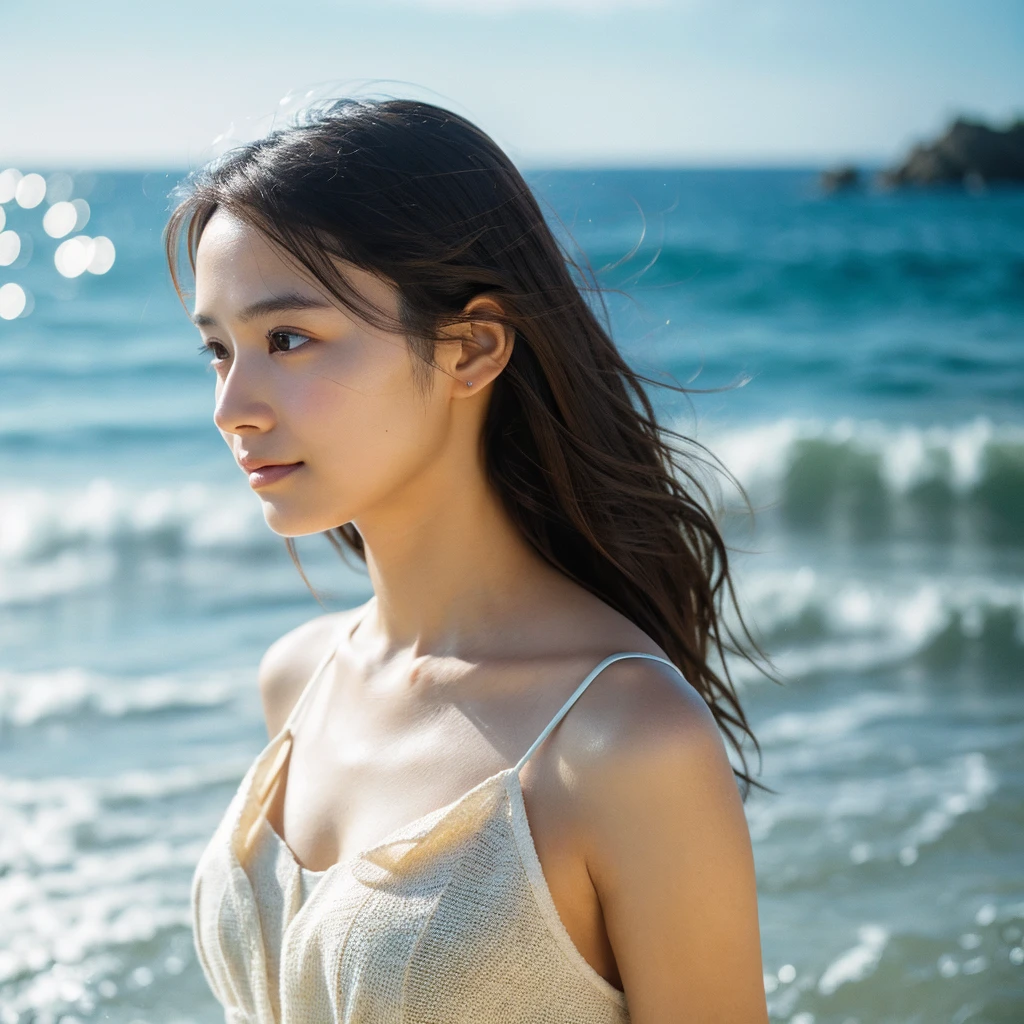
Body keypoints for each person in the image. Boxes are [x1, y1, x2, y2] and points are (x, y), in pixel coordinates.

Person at [167, 97, 774, 1023]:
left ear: (470, 347)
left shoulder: (623, 740)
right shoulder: (298, 680)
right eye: (218, 350)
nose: (232, 406)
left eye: (287, 339)